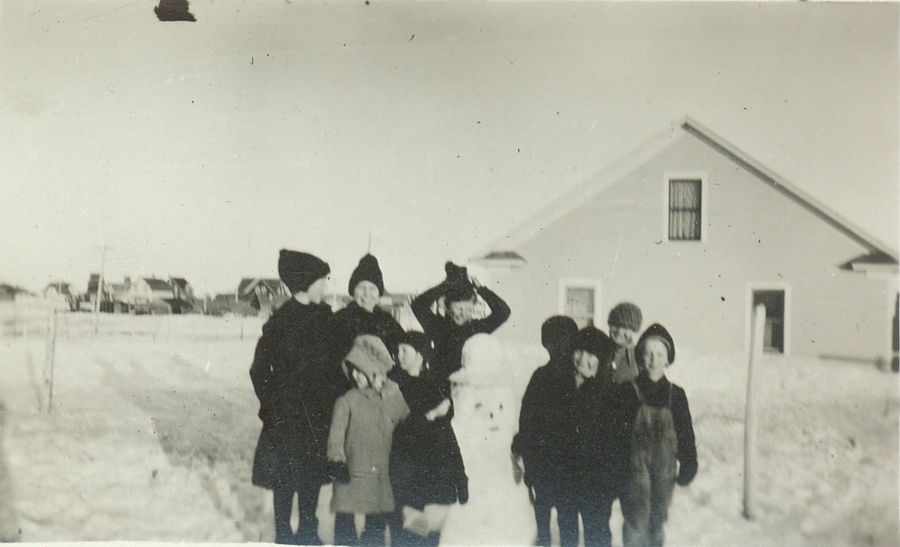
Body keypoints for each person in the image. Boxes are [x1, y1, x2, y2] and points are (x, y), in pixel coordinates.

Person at [250, 249, 342, 545]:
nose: (325, 287)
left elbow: (336, 366)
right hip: (286, 416)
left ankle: (307, 536)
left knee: (312, 480)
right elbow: (259, 370)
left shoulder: (326, 318)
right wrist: (271, 408)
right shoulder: (279, 323)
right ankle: (283, 536)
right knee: (284, 482)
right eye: (321, 282)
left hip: (318, 414)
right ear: (305, 283)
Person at [618, 324, 698, 547]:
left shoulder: (677, 395)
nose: (654, 359)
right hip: (634, 472)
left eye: (660, 354)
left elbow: (685, 433)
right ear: (641, 358)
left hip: (664, 472)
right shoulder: (627, 392)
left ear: (667, 359)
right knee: (636, 522)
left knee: (657, 522)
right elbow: (617, 435)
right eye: (648, 354)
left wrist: (689, 461)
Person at [327, 335, 410, 546]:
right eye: (352, 369)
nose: (355, 374)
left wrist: (389, 387)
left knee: (375, 527)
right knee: (345, 524)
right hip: (351, 472)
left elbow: (404, 418)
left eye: (361, 370)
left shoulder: (388, 397)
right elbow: (335, 438)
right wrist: (337, 461)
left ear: (375, 374)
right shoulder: (346, 401)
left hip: (379, 473)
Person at [388, 331, 468, 547]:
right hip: (404, 469)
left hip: (433, 473)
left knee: (430, 535)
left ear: (421, 355)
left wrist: (460, 478)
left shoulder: (436, 385)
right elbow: (399, 429)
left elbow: (446, 434)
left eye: (405, 350)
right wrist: (431, 415)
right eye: (398, 351)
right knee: (405, 533)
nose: (399, 355)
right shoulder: (393, 385)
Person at [511, 316, 580, 547]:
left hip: (570, 461)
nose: (558, 347)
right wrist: (523, 444)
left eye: (564, 341)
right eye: (551, 342)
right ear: (545, 344)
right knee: (542, 513)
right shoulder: (540, 376)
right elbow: (527, 414)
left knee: (568, 515)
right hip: (542, 459)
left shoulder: (578, 377)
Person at [410, 262, 510, 382]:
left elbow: (503, 312)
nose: (464, 313)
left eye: (469, 309)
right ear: (447, 306)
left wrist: (481, 289)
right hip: (439, 386)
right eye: (459, 308)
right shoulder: (437, 326)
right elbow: (418, 304)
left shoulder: (476, 328)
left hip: (467, 390)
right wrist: (447, 284)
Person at [570, 326, 622, 547]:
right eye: (579, 352)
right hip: (569, 476)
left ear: (601, 360)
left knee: (596, 531)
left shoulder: (609, 393)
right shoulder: (563, 387)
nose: (583, 359)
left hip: (597, 480)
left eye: (591, 355)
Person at [328, 254, 406, 365]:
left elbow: (404, 346)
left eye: (372, 288)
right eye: (362, 288)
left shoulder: (387, 320)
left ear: (379, 293)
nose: (367, 294)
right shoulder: (340, 319)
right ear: (353, 291)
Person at [606, 302, 643, 385]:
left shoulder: (639, 355)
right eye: (616, 325)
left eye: (626, 327)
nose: (619, 331)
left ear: (634, 330)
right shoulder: (600, 349)